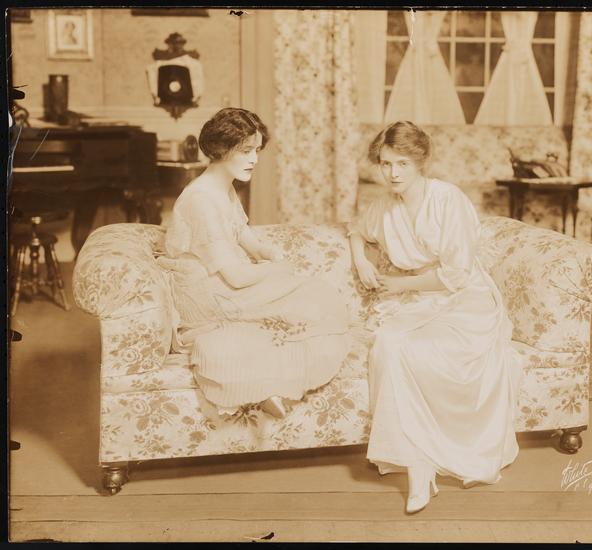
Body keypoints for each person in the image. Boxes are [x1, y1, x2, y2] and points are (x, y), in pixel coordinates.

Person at [348, 121, 521, 514]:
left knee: (419, 350)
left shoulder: (447, 199)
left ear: (421, 162)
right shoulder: (385, 206)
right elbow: (357, 231)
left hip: (465, 299)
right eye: (386, 163)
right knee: (388, 344)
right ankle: (418, 464)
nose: (393, 173)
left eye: (403, 164)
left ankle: (429, 460)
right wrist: (361, 260)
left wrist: (399, 285)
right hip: (419, 300)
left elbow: (457, 274)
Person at [158, 108, 351, 419]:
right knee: (315, 297)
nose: (254, 159)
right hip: (209, 295)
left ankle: (275, 384)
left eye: (257, 150)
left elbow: (242, 233)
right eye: (246, 151)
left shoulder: (222, 188)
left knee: (316, 296)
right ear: (221, 149)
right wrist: (278, 270)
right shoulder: (200, 199)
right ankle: (270, 385)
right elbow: (235, 276)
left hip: (224, 283)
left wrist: (264, 251)